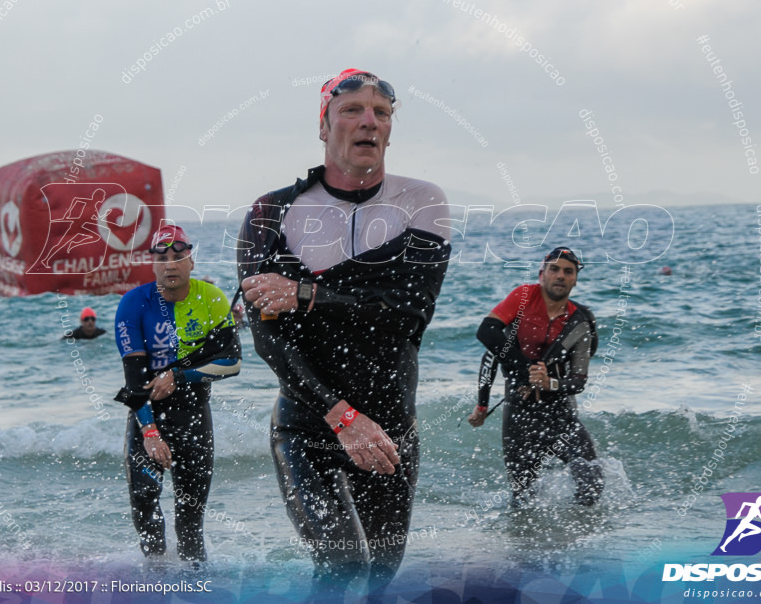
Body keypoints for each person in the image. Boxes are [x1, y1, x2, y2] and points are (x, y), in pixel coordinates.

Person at [236, 69, 451, 592]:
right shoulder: (271, 212)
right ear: (324, 123)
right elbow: (269, 338)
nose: (368, 121)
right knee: (340, 567)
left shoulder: (422, 203)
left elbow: (407, 313)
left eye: (381, 113)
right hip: (309, 424)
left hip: (391, 428)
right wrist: (341, 414)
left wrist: (305, 295)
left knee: (380, 576)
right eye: (352, 109)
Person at [114, 224, 241, 562]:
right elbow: (133, 379)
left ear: (191, 261)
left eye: (178, 256)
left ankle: (195, 584)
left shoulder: (212, 298)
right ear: (153, 264)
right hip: (147, 415)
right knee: (144, 498)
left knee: (190, 513)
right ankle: (154, 576)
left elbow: (232, 363)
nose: (171, 264)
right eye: (163, 257)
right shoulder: (133, 303)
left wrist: (179, 375)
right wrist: (150, 433)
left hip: (194, 415)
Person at [468, 247, 603, 506]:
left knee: (592, 481)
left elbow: (578, 381)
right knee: (522, 494)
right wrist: (483, 404)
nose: (560, 276)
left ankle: (580, 540)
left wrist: (549, 382)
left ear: (575, 279)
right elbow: (487, 339)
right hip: (520, 407)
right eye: (554, 269)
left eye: (568, 271)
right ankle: (524, 543)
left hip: (560, 409)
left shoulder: (580, 321)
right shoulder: (523, 298)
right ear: (542, 274)